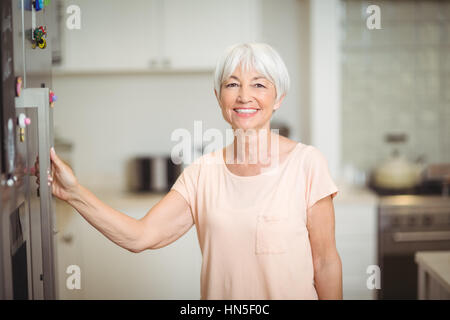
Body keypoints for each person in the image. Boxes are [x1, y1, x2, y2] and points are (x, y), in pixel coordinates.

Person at [40, 43, 341, 300]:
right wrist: (74, 193)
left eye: (259, 84)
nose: (244, 96)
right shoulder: (202, 174)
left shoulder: (307, 163)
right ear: (219, 97)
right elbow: (140, 236)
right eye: (232, 84)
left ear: (279, 98)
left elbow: (325, 261)